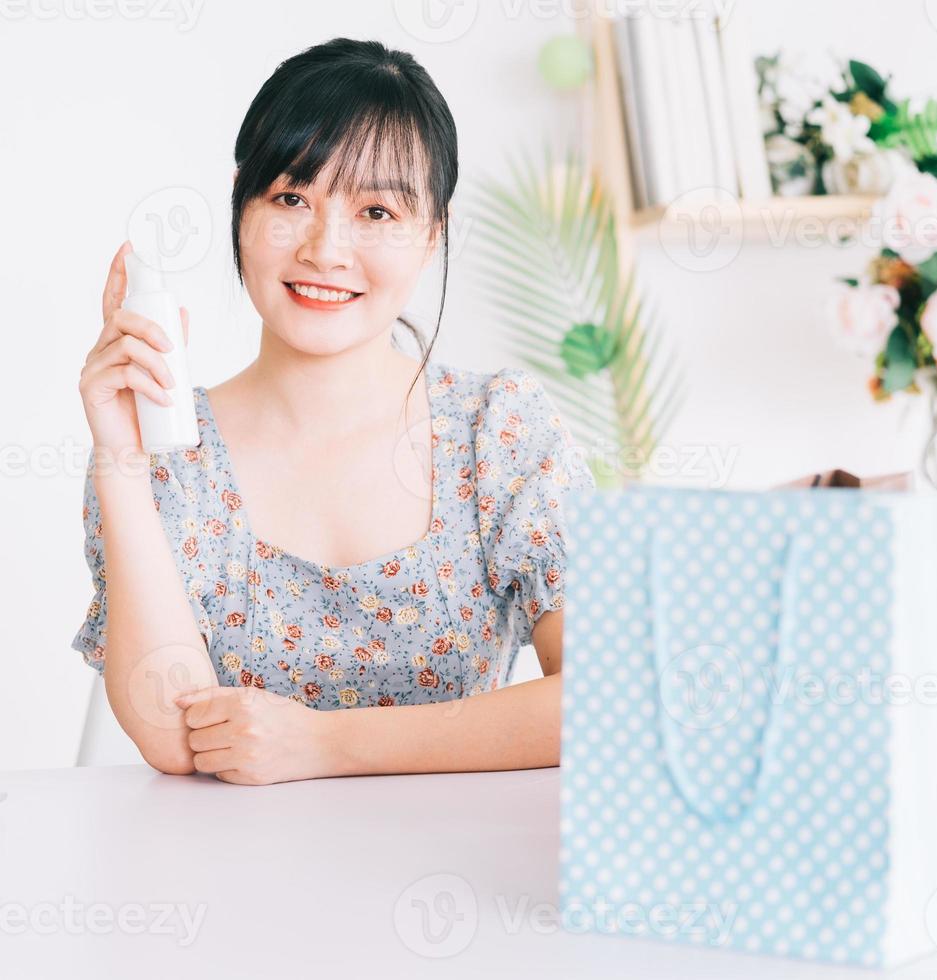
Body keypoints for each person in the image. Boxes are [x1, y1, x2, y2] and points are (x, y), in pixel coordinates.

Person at [74, 37, 594, 784]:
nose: (325, 248)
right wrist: (121, 461)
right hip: (230, 882)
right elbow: (174, 737)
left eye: (377, 210)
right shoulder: (168, 452)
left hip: (454, 885)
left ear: (433, 234)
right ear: (240, 209)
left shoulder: (499, 431)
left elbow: (602, 703)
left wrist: (324, 744)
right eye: (291, 199)